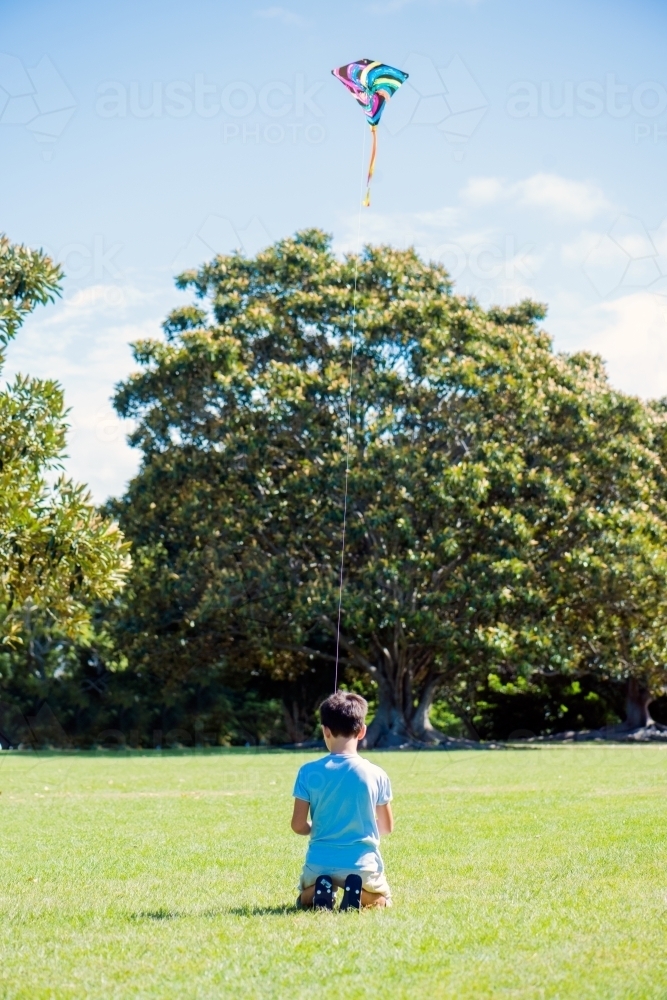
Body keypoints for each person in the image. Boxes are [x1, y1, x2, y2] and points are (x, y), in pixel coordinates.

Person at [291, 690, 394, 910]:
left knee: (304, 898)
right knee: (383, 899)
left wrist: (315, 826)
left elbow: (298, 825)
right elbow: (386, 827)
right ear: (362, 731)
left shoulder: (308, 772)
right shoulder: (377, 773)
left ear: (325, 731)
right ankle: (358, 896)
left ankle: (321, 890)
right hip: (362, 865)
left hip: (319, 864)